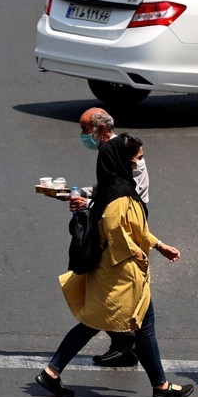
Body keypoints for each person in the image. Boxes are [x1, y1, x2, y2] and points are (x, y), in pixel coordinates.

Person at [35, 134, 193, 397]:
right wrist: (137, 253)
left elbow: (136, 228)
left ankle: (52, 372)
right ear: (124, 160)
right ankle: (161, 387)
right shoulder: (120, 194)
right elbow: (114, 227)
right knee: (139, 324)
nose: (140, 164)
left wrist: (158, 245)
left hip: (112, 271)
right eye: (138, 159)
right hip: (122, 274)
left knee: (96, 322)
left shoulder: (112, 187)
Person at [70, 107, 149, 367]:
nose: (83, 135)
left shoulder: (121, 152)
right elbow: (106, 187)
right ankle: (127, 347)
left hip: (126, 233)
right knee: (119, 294)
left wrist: (88, 204)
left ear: (100, 128)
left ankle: (55, 367)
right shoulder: (112, 151)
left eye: (85, 129)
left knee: (113, 294)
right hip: (122, 230)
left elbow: (116, 202)